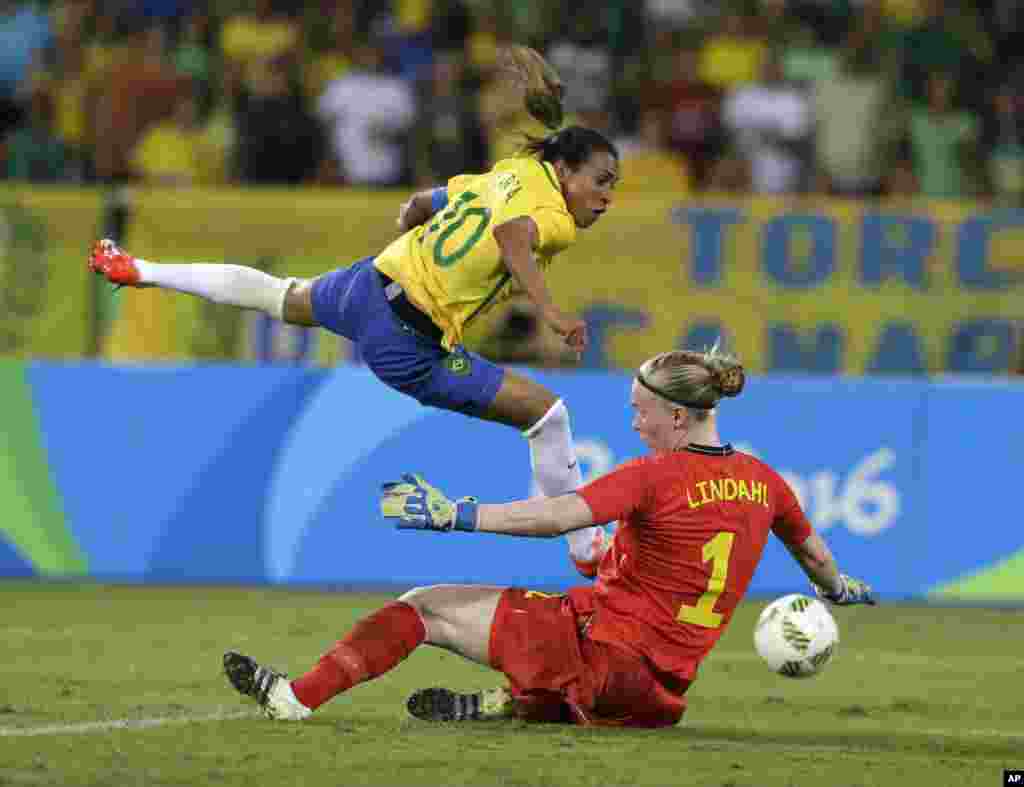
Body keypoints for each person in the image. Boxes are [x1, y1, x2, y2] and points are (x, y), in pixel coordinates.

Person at [87, 45, 617, 575]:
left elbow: (424, 204)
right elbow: (511, 236)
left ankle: (141, 270)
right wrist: (551, 311)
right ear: (566, 171)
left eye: (611, 184)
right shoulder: (556, 218)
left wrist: (420, 225)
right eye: (601, 181)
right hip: (411, 344)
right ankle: (586, 547)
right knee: (548, 415)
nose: (606, 196)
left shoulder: (512, 172)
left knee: (281, 296)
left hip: (368, 285)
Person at [222, 346, 876, 728]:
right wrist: (840, 589)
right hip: (660, 699)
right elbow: (817, 557)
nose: (633, 418)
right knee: (578, 601)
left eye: (641, 409)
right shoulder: (764, 481)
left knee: (424, 606)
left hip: (604, 655)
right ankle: (521, 700)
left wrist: (459, 514)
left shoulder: (654, 475)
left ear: (677, 415)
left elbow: (558, 516)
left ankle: (292, 698)